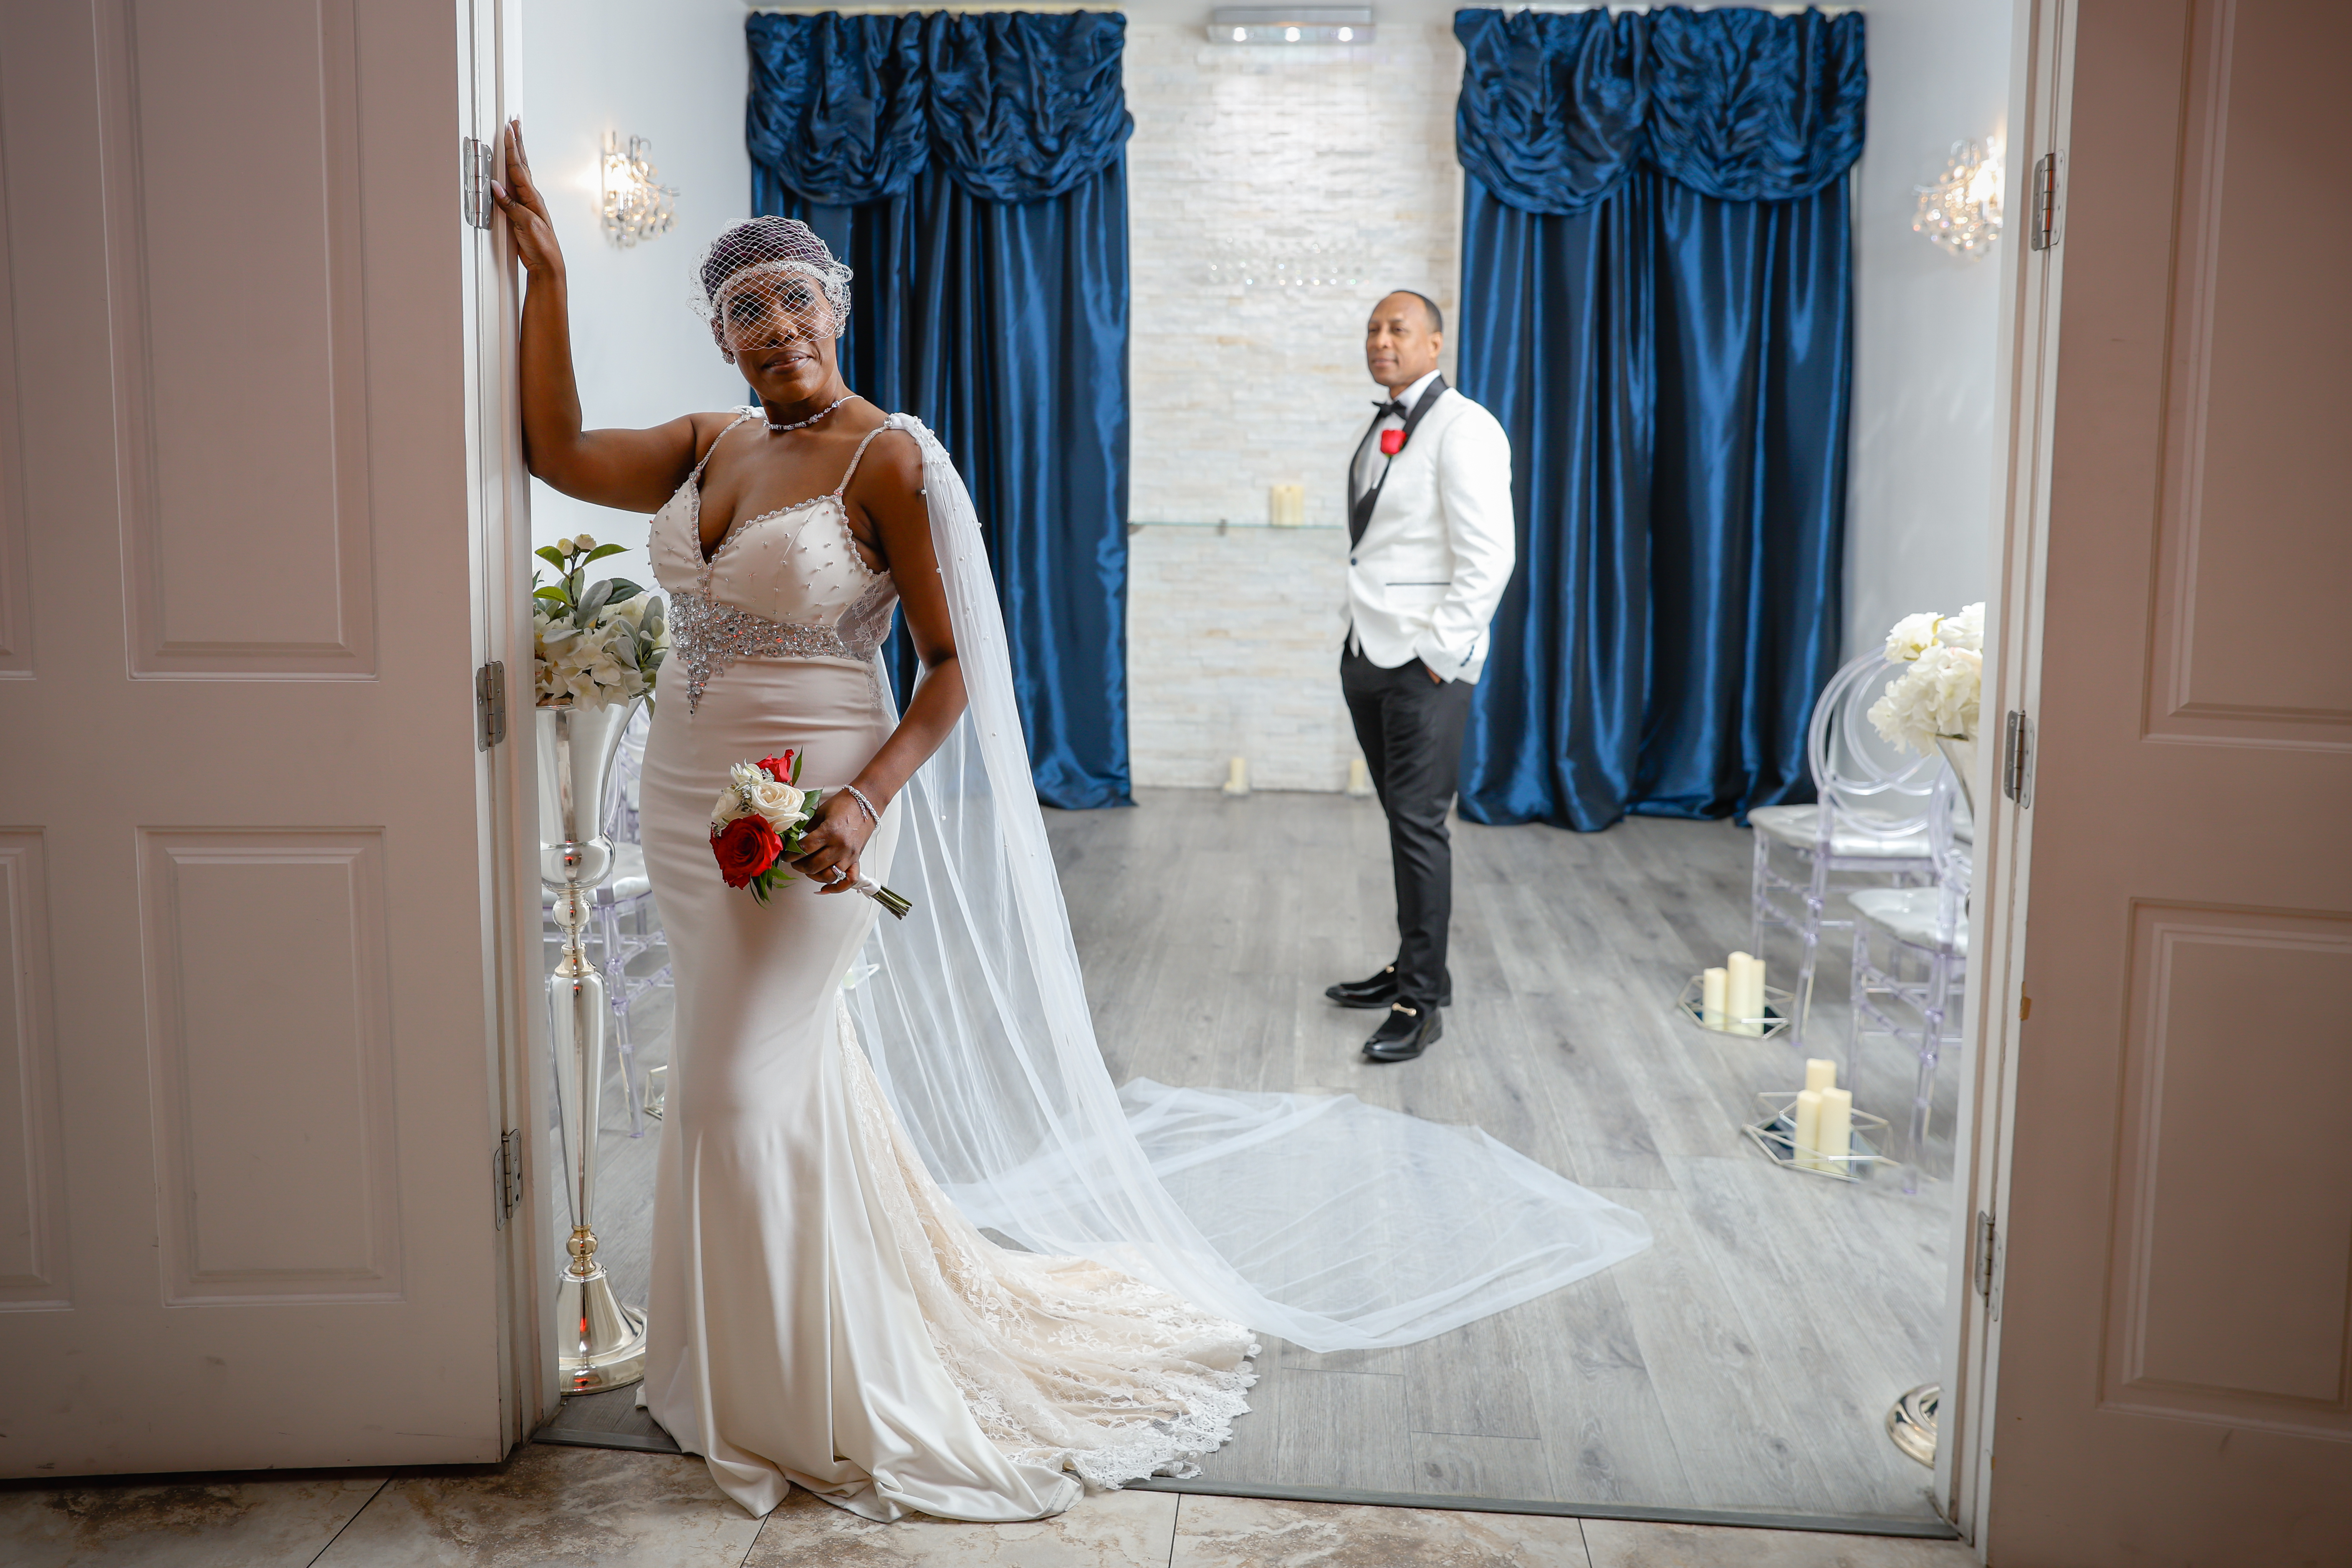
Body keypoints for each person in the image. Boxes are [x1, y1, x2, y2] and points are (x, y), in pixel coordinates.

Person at [493, 127, 1257, 1523]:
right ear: (721, 337)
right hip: (679, 799)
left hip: (819, 803)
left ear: (834, 308)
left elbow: (957, 666)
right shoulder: (705, 443)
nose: (776, 328)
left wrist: (861, 794)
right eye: (744, 309)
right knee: (761, 1086)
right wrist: (542, 272)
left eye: (794, 300)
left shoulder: (887, 459)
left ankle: (810, 1392)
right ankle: (724, 1367)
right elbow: (548, 446)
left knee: (731, 1085)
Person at [1327, 291, 1516, 1063]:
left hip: (1424, 667)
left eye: (1398, 329)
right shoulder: (1384, 423)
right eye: (1373, 328)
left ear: (1435, 344)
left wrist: (1439, 655)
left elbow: (1489, 555)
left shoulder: (1465, 425)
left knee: (1419, 828)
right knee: (1403, 824)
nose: (1381, 339)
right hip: (1368, 652)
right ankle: (1408, 963)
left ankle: (1422, 999)